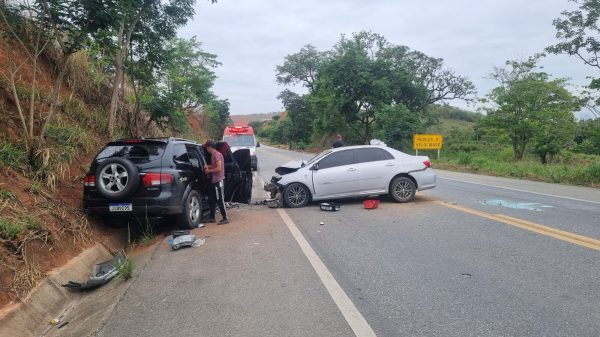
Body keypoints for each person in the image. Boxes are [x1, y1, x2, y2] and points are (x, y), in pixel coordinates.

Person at [203, 140, 229, 225]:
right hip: (214, 181)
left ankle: (225, 218)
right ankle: (212, 217)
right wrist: (208, 166)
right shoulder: (213, 155)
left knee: (220, 200)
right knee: (212, 199)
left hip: (219, 181)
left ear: (210, 147)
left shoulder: (217, 155)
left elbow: (219, 168)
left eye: (207, 147)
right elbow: (215, 166)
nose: (206, 149)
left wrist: (209, 171)